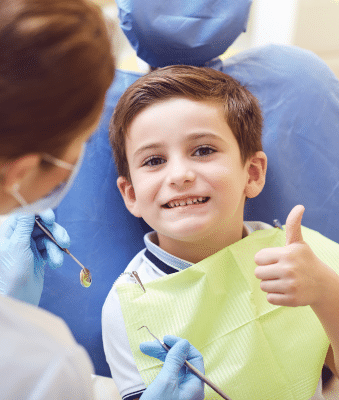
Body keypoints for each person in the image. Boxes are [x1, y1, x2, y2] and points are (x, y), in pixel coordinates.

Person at [103, 64, 339, 399]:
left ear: (253, 173)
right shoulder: (128, 307)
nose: (179, 174)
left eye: (203, 150)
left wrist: (328, 292)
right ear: (131, 195)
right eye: (154, 161)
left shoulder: (296, 260)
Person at [0, 0, 205, 398]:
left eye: (202, 150)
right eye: (82, 141)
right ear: (21, 173)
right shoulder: (44, 365)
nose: (180, 175)